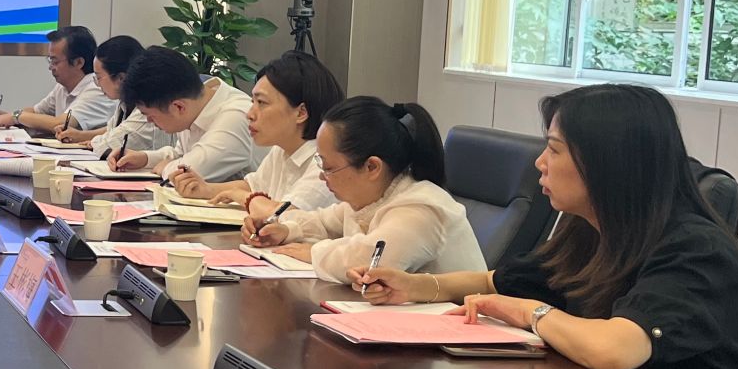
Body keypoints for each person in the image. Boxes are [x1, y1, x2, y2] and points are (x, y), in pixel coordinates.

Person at [357, 85, 738, 369]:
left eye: (554, 150)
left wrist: (531, 313)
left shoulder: (697, 249)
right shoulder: (593, 226)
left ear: (607, 164)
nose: (539, 162)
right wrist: (417, 286)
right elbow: (496, 281)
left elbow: (614, 348)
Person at [247, 95, 483, 282]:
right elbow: (323, 222)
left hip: (459, 326)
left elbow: (370, 260)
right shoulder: (369, 197)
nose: (321, 175)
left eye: (328, 167)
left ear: (372, 167)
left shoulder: (421, 208)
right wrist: (284, 230)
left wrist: (313, 252)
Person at [157, 50, 343, 220]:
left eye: (261, 103)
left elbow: (285, 216)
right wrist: (205, 189)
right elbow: (252, 186)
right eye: (252, 102)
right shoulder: (281, 150)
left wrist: (243, 197)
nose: (250, 114)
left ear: (301, 113)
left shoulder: (325, 163)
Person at [110, 47, 256, 181]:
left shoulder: (236, 115)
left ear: (178, 107)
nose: (149, 121)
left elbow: (189, 173)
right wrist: (144, 158)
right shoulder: (194, 107)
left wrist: (166, 168)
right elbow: (181, 155)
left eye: (151, 116)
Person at [58, 35, 170, 153]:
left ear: (121, 78)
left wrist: (94, 142)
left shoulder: (148, 107)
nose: (97, 84)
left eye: (98, 77)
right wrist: (81, 136)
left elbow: (112, 143)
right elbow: (113, 131)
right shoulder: (125, 102)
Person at [0, 27, 109, 134]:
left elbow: (62, 124)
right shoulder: (62, 87)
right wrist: (8, 116)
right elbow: (36, 112)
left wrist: (16, 116)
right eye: (50, 60)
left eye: (55, 61)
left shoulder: (97, 88)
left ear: (78, 62)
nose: (50, 67)